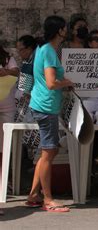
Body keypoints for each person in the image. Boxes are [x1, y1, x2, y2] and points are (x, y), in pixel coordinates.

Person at [27, 15, 74, 212]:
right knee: (49, 151)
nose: (67, 31)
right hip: (45, 107)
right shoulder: (48, 50)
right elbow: (51, 83)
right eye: (64, 28)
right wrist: (68, 83)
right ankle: (48, 199)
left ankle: (33, 195)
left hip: (44, 106)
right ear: (59, 31)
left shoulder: (44, 48)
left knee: (49, 151)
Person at [0, 43, 20, 212]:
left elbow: (16, 72)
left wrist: (5, 72)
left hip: (7, 108)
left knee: (3, 148)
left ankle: (3, 183)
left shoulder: (6, 58)